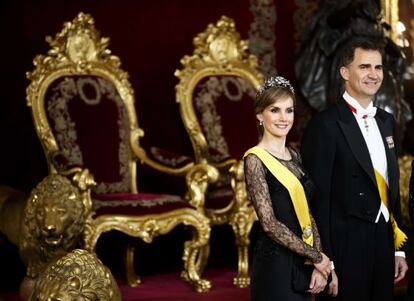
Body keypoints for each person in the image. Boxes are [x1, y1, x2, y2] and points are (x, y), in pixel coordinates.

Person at [301, 37, 408, 301]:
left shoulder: (386, 121)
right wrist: (325, 260)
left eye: (378, 67)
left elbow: (391, 188)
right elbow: (317, 200)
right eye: (364, 67)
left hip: (382, 238)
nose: (373, 75)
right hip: (345, 243)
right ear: (345, 73)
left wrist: (399, 249)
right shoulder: (325, 125)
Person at [244, 76, 332, 301]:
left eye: (289, 110)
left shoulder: (294, 154)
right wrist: (317, 257)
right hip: (276, 266)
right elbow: (270, 224)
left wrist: (318, 263)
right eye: (275, 110)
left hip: (302, 262)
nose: (284, 118)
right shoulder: (255, 159)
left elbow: (307, 211)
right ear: (259, 115)